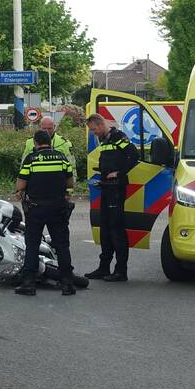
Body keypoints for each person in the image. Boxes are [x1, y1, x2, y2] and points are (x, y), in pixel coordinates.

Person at [15, 129, 76, 297]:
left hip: (36, 208)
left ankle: (29, 284)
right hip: (58, 207)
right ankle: (68, 284)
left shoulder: (31, 159)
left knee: (32, 245)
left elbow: (20, 186)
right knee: (62, 245)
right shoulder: (61, 158)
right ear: (50, 142)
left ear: (35, 143)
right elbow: (70, 182)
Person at [84, 114, 138, 282]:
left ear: (100, 125)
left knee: (116, 229)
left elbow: (134, 157)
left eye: (94, 129)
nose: (94, 133)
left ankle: (121, 270)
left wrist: (119, 173)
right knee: (105, 229)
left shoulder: (118, 137)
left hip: (116, 188)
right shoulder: (105, 140)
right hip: (107, 187)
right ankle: (104, 267)